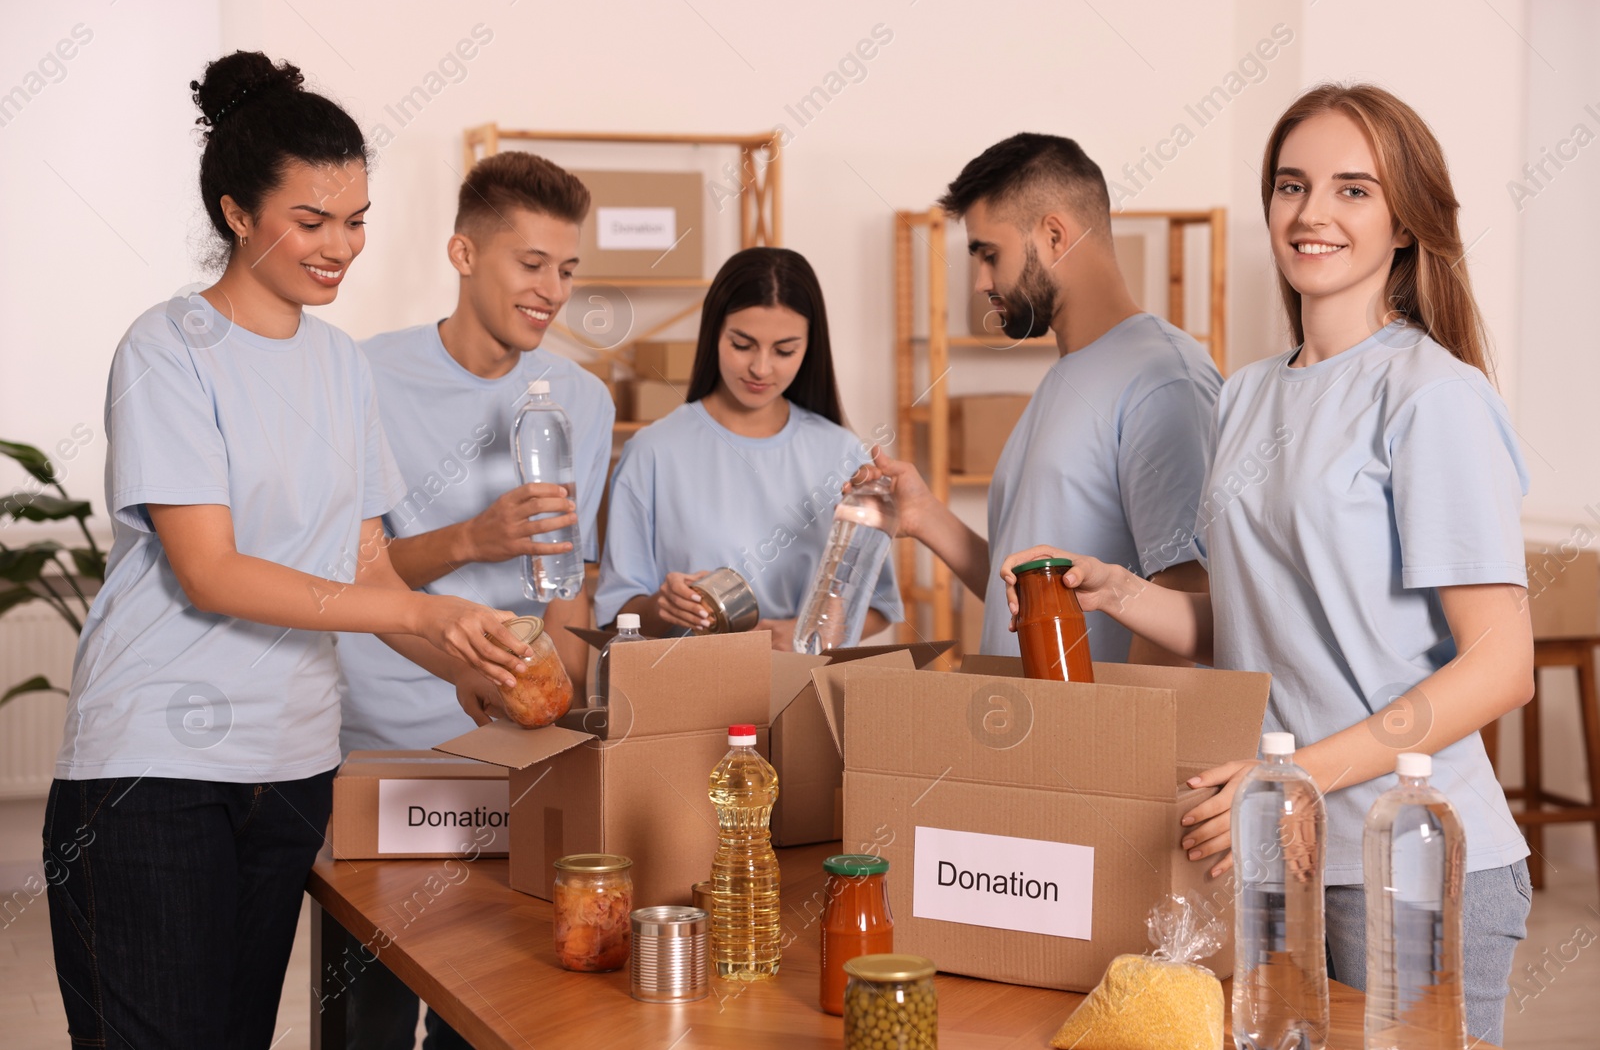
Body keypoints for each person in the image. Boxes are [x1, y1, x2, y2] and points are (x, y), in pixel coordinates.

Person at [1001, 84, 1532, 1046]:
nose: (1312, 212)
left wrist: (1305, 777)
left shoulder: (1431, 397)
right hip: (1284, 853)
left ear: (1406, 223)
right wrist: (1119, 589)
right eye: (1292, 185)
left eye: (1352, 190)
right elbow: (1252, 622)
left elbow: (1501, 663)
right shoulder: (1245, 394)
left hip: (1410, 855)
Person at [44, 52, 529, 1050]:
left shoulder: (340, 367)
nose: (339, 247)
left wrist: (464, 664)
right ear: (236, 212)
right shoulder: (169, 346)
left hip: (292, 762)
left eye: (355, 220)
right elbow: (212, 570)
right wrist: (423, 614)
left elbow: (364, 569)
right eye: (311, 222)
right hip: (155, 768)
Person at [333, 151, 613, 1049]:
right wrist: (472, 538)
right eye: (530, 264)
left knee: (494, 1015)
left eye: (566, 270)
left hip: (514, 752)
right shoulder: (362, 375)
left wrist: (567, 715)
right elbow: (352, 577)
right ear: (463, 253)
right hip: (382, 746)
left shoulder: (584, 398)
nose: (552, 290)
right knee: (367, 1018)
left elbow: (567, 580)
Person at [868, 133, 1222, 665]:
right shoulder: (1068, 374)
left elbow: (1186, 594)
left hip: (1090, 743)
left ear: (1055, 235)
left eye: (990, 255)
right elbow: (1031, 595)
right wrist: (924, 518)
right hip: (1028, 736)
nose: (982, 281)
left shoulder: (1163, 379)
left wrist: (1125, 747)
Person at [595, 247, 902, 644]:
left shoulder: (842, 454)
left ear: (810, 347)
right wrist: (661, 605)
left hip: (803, 689)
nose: (761, 368)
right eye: (742, 345)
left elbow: (878, 607)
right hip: (686, 692)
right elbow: (614, 617)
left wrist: (807, 632)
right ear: (714, 334)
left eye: (785, 350)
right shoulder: (652, 452)